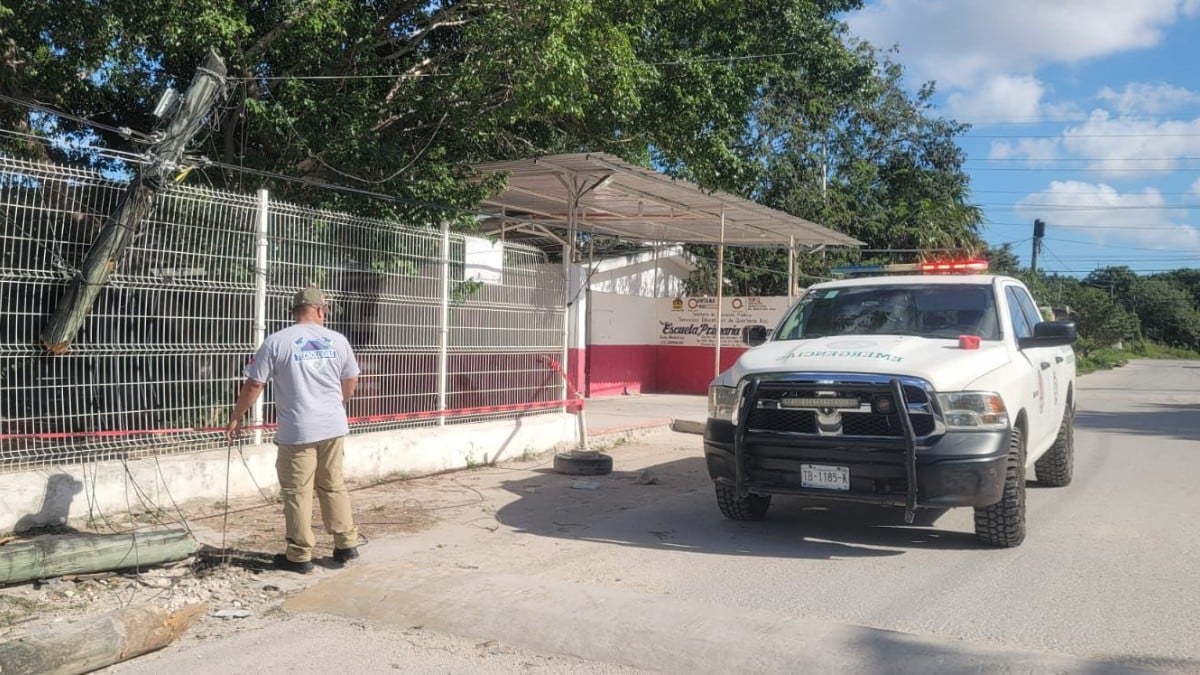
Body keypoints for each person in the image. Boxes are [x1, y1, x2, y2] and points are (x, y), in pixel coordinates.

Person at [226, 285, 361, 574]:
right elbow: (350, 379)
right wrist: (337, 404)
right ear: (321, 310)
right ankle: (346, 545)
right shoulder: (338, 340)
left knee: (298, 492)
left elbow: (254, 384)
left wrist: (237, 416)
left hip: (299, 430)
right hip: (333, 426)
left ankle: (300, 556)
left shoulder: (276, 342)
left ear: (294, 312)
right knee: (333, 484)